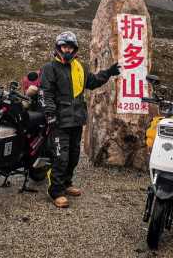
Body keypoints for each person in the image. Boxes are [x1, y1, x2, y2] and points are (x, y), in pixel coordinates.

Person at [40, 31, 120, 208]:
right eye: (64, 46)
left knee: (74, 156)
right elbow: (46, 93)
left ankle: (67, 183)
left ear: (75, 49)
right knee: (60, 157)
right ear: (58, 47)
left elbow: (93, 81)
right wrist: (50, 114)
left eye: (70, 47)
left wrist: (109, 72)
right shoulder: (49, 68)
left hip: (76, 120)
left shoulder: (80, 67)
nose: (67, 50)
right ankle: (56, 191)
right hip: (59, 121)